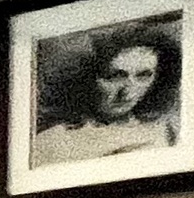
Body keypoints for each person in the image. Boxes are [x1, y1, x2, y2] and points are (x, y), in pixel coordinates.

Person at [34, 26, 181, 165]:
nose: (128, 91)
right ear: (88, 77)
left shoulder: (167, 130)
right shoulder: (50, 141)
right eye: (114, 76)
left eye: (143, 76)